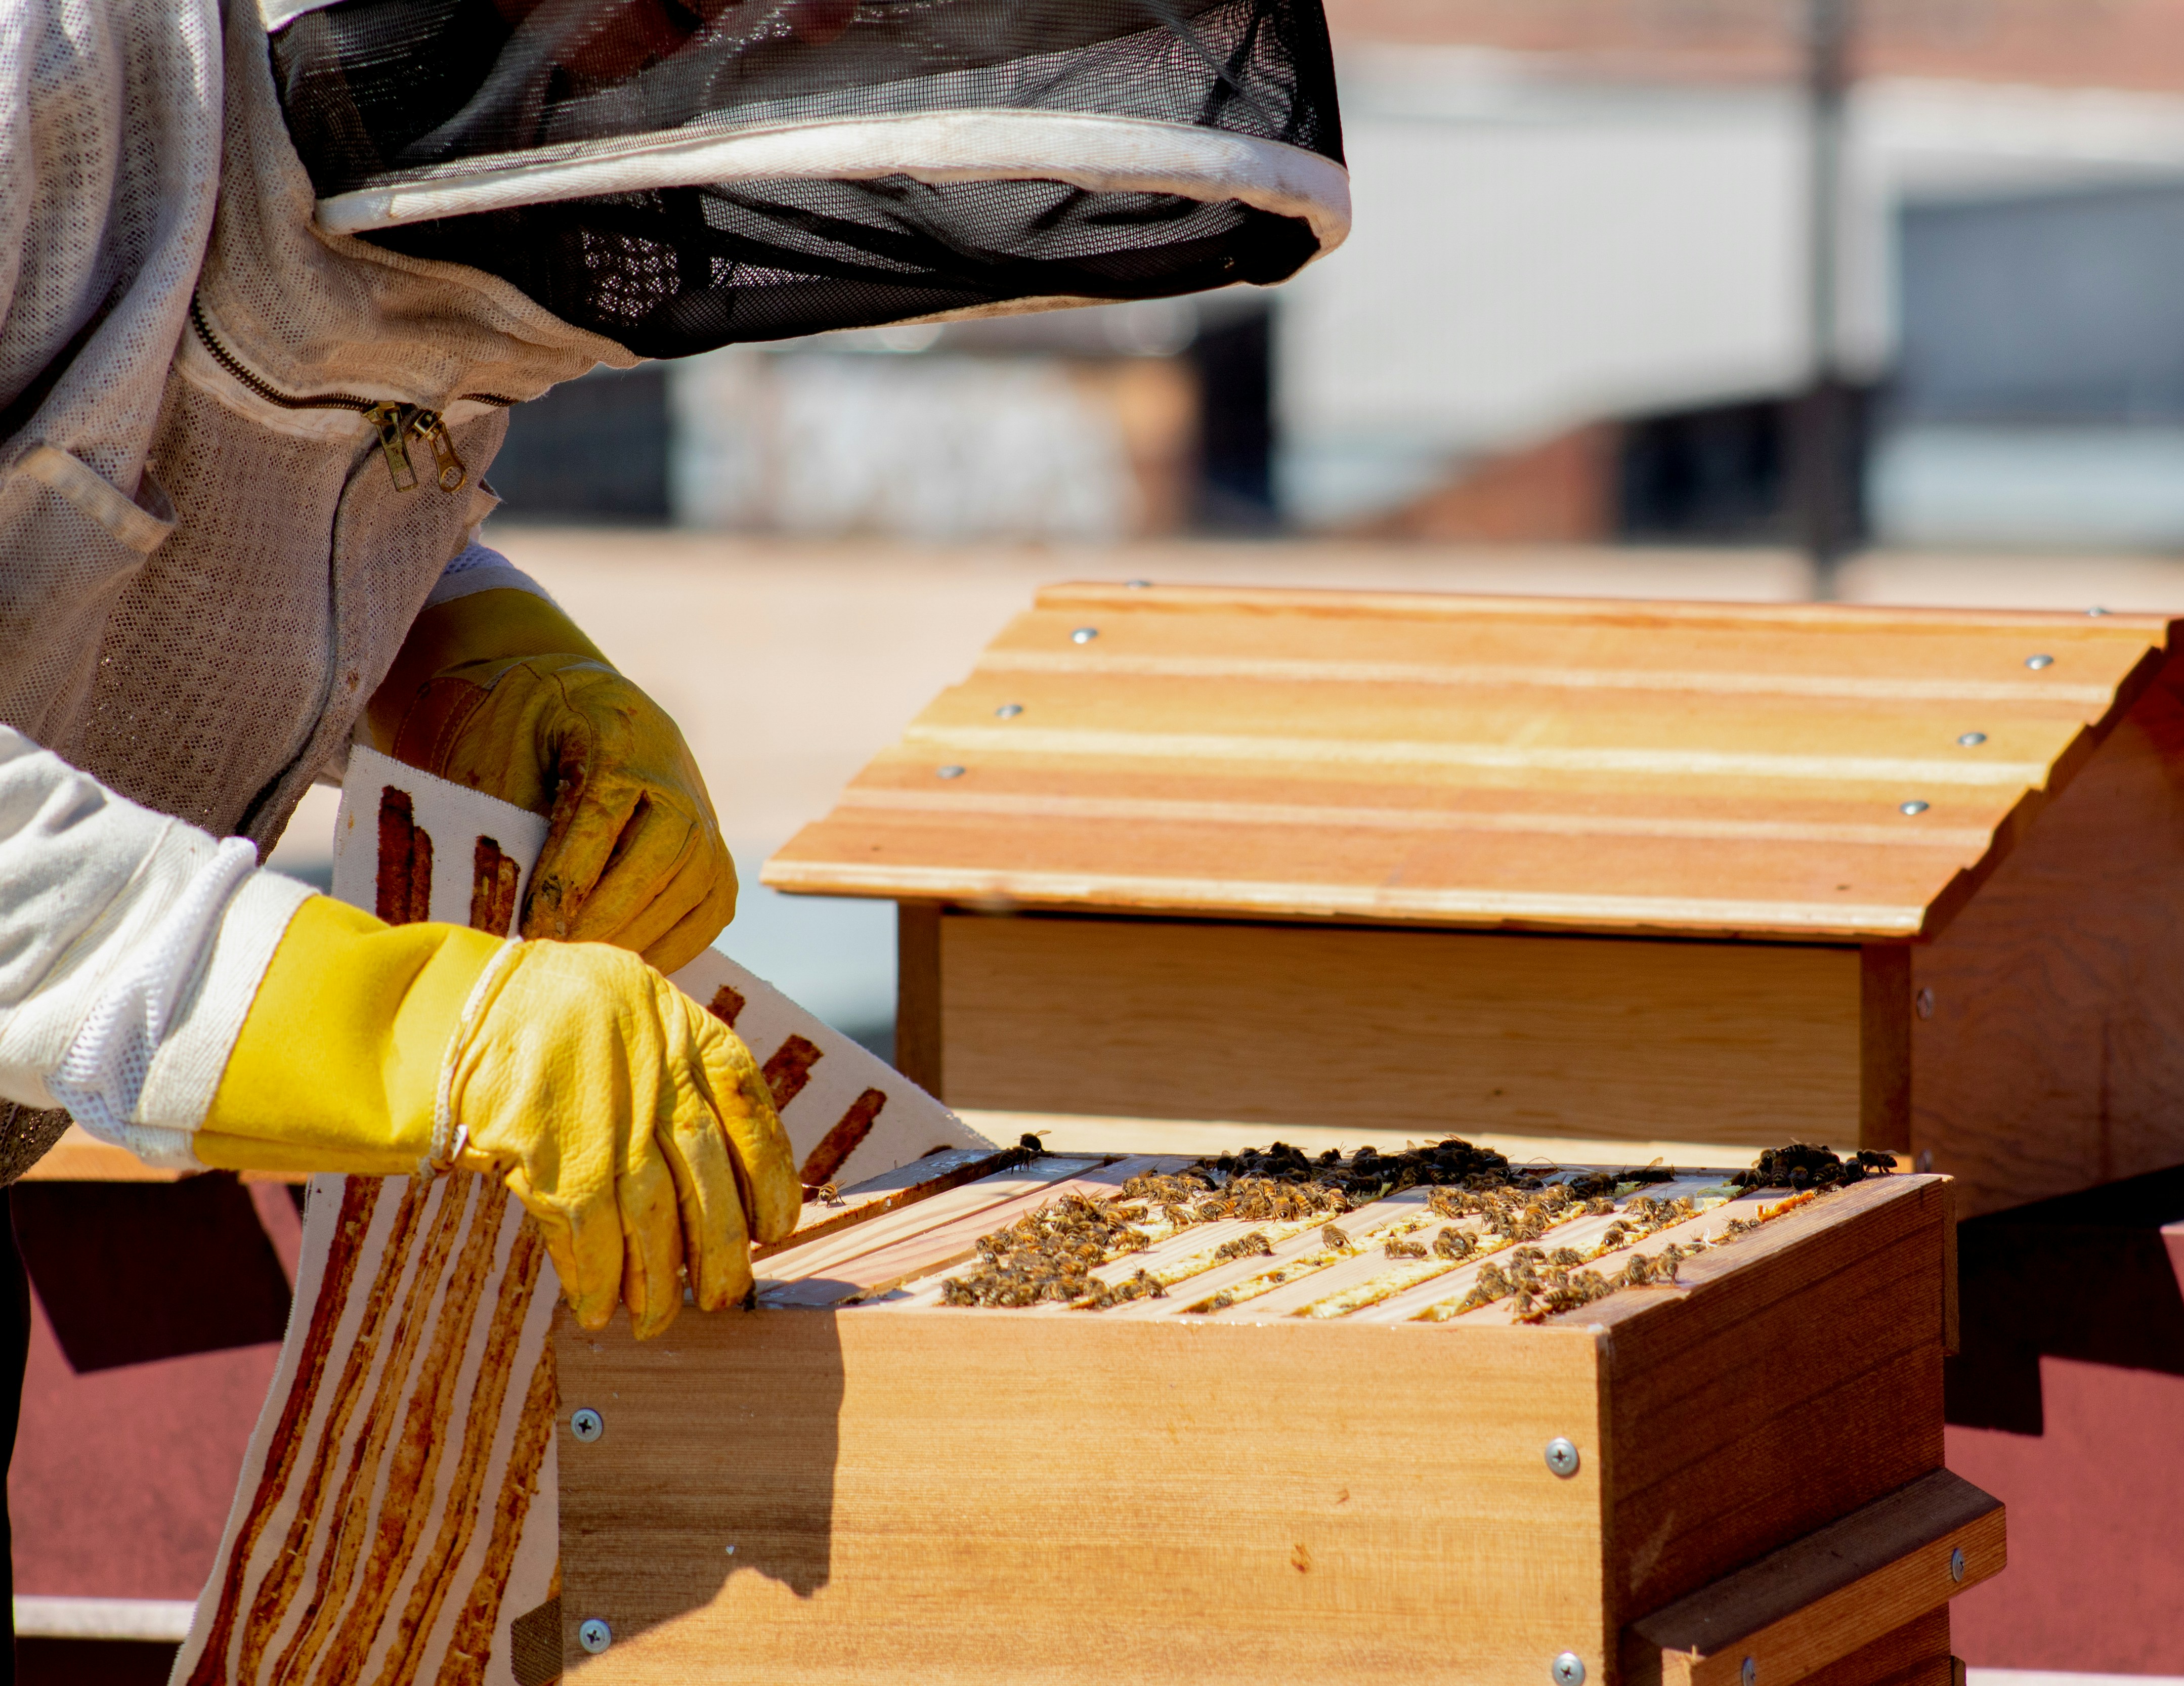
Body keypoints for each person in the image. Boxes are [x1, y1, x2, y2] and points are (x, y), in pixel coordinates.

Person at [0, 0, 1345, 1665]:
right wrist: (403, 1021)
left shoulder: (449, 152)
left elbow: (197, 474)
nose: (715, 39)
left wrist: (461, 652)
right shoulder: (32, 73)